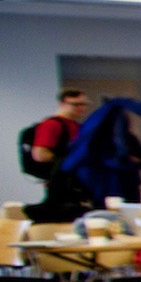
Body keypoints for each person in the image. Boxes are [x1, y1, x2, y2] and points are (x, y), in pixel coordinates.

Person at [22, 88, 94, 223]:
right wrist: (68, 161)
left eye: (83, 104)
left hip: (76, 184)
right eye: (75, 104)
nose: (81, 108)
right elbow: (40, 155)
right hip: (61, 187)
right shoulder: (51, 125)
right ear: (62, 103)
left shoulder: (75, 125)